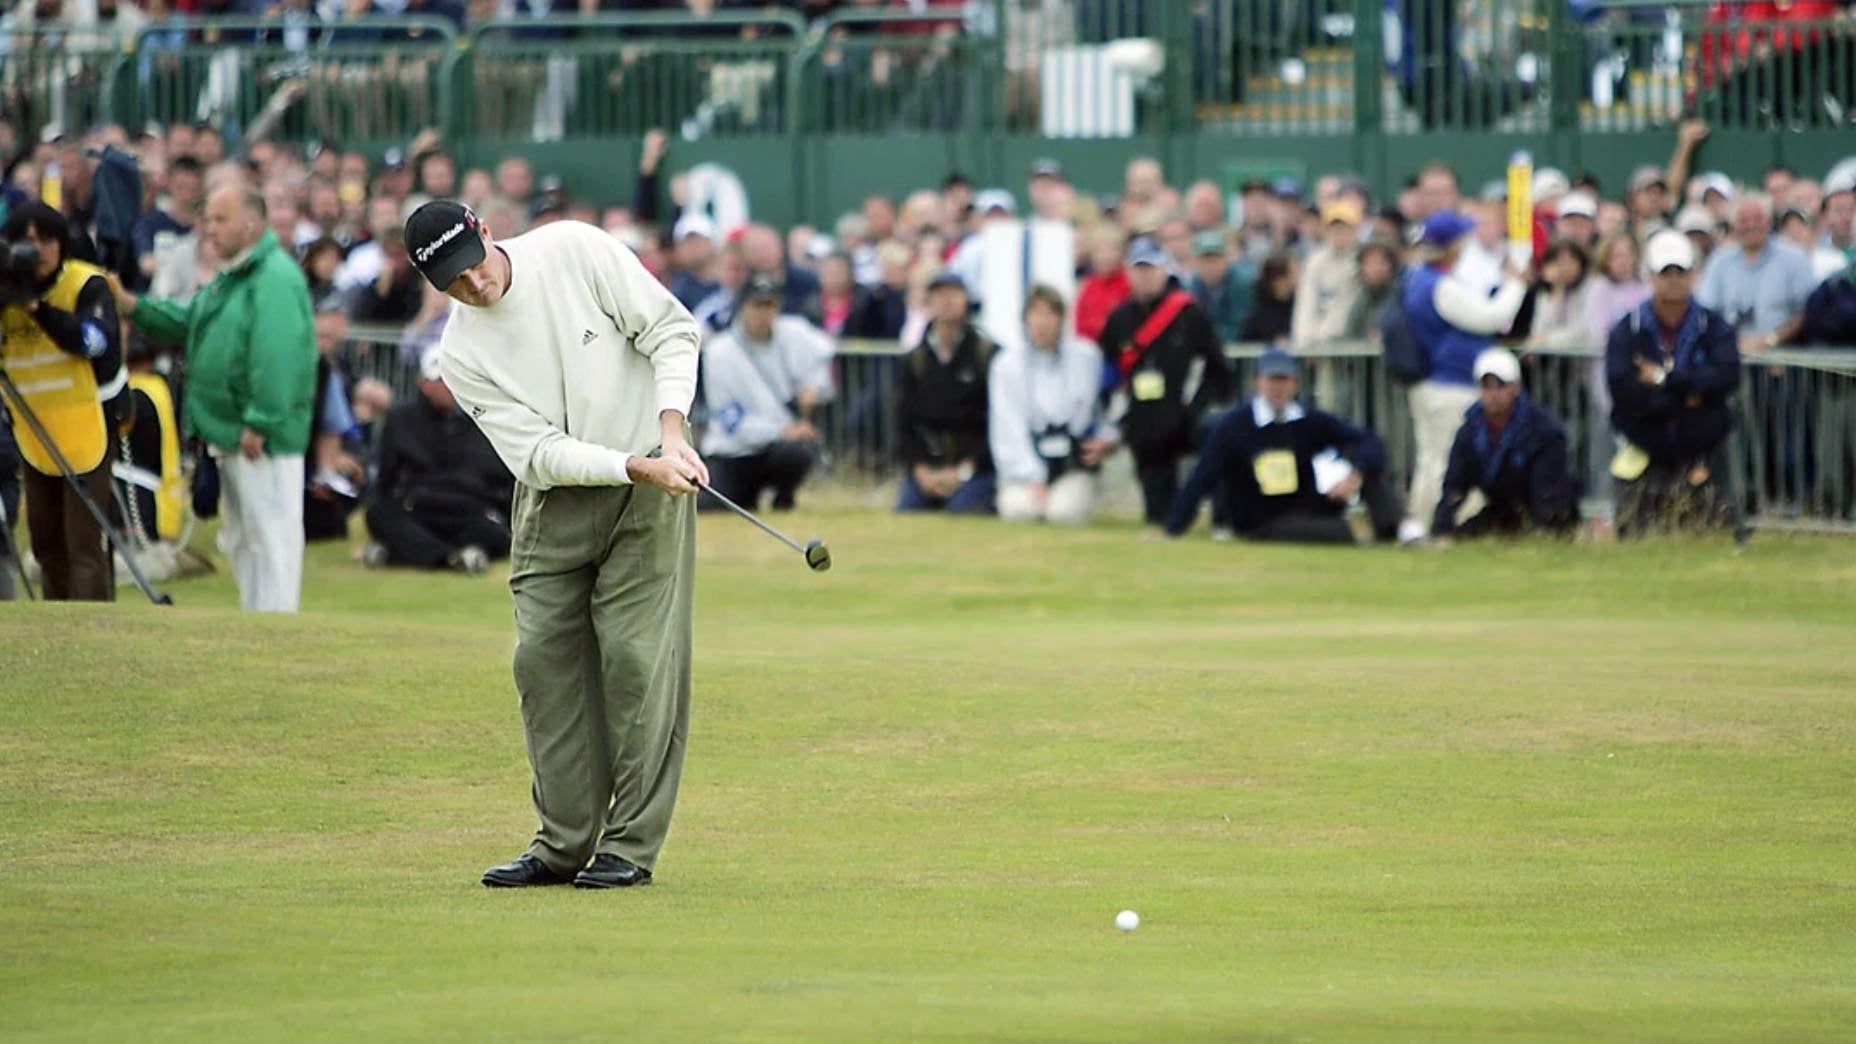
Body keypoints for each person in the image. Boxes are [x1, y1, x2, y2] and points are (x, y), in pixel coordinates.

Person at [406, 199, 704, 890]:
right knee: (541, 660)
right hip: (557, 497)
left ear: (485, 231)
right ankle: (563, 842)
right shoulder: (461, 352)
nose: (472, 287)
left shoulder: (573, 250)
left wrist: (671, 433)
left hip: (653, 476)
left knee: (636, 657)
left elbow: (670, 331)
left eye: (472, 268)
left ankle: (628, 844)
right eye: (450, 283)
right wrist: (632, 464)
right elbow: (538, 455)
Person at [113, 183, 316, 613]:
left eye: (221, 219)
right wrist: (133, 305)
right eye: (208, 219)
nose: (210, 229)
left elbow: (276, 355)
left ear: (251, 223)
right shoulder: (233, 276)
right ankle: (258, 622)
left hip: (261, 437)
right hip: (230, 433)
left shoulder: (274, 277)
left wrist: (260, 422)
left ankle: (278, 629)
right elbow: (189, 321)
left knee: (272, 537)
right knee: (244, 538)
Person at [0, 200, 127, 602]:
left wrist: (36, 308)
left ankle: (92, 626)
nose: (34, 249)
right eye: (23, 239)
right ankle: (55, 625)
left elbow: (92, 341)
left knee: (83, 543)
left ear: (61, 243)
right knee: (45, 540)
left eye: (44, 239)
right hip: (34, 432)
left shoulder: (85, 284)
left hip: (86, 430)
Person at [1165, 348, 1404, 544]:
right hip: (1261, 518)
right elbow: (1202, 476)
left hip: (1305, 505)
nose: (1278, 388)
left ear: (1295, 384)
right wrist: (1174, 529)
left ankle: (1394, 531)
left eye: (1284, 380)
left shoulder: (1307, 418)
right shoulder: (1235, 425)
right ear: (1258, 382)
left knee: (1372, 465)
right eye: (1272, 380)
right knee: (1338, 532)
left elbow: (1368, 440)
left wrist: (1354, 475)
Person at [1399, 210, 1526, 541]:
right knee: (1443, 460)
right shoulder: (1440, 286)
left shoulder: (1420, 278)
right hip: (1450, 385)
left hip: (1433, 384)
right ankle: (1443, 527)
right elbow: (1490, 317)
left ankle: (1423, 525)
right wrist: (1517, 284)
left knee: (1430, 457)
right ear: (1452, 245)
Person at [1605, 231, 1742, 537]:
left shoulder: (1715, 326)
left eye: (1680, 271)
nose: (1673, 280)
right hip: (1645, 444)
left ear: (1693, 275)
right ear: (1650, 276)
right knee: (1636, 538)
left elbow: (1725, 377)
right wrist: (1687, 396)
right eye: (1665, 272)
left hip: (1702, 447)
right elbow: (1623, 390)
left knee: (1713, 533)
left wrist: (1663, 380)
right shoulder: (1627, 331)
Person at [1099, 238, 1234, 529]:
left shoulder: (1188, 314)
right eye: (1139, 269)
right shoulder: (1119, 319)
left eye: (1151, 268)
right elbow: (1109, 372)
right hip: (1143, 421)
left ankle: (1223, 520)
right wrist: (1118, 417)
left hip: (1185, 416)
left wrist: (1194, 407)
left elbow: (1218, 370)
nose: (1145, 275)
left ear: (1165, 270)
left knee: (1217, 440)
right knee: (1158, 516)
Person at [363, 348, 514, 574]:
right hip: (419, 505)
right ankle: (453, 557)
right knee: (380, 514)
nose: (450, 387)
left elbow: (503, 476)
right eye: (443, 380)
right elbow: (387, 476)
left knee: (498, 534)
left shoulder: (484, 418)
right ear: (424, 384)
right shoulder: (401, 419)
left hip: (470, 508)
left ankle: (403, 551)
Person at [699, 274, 836, 512]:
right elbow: (730, 420)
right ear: (742, 307)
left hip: (779, 448)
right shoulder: (719, 352)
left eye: (769, 305)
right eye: (757, 306)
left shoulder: (794, 332)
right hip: (732, 451)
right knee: (709, 506)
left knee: (797, 454)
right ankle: (746, 496)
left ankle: (784, 500)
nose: (763, 314)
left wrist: (814, 388)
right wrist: (780, 431)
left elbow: (828, 349)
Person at [989, 285, 1118, 526]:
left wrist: (1106, 441)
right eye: (1035, 314)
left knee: (1063, 514)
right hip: (1024, 467)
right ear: (1025, 319)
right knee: (1020, 511)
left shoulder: (1087, 357)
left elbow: (1103, 411)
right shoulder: (1007, 365)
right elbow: (1007, 426)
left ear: (1061, 318)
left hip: (1072, 466)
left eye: (1050, 314)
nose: (1042, 323)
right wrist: (1032, 476)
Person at [1430, 348, 1580, 540]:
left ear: (1516, 387)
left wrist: (1542, 528)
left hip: (1547, 512)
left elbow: (1548, 489)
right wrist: (1442, 530)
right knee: (1464, 538)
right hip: (1502, 512)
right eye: (1486, 386)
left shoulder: (1543, 430)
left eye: (1500, 386)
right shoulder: (1470, 431)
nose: (1493, 394)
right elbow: (1455, 485)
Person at [896, 272, 998, 514]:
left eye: (954, 294)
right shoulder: (915, 360)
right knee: (908, 511)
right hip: (927, 465)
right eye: (939, 295)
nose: (947, 301)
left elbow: (996, 422)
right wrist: (920, 471)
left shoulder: (987, 355)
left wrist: (963, 471)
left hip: (975, 467)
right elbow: (903, 423)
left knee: (961, 511)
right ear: (929, 303)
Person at [1290, 202, 1362, 351]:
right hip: (1317, 343)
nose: (1339, 234)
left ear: (1355, 231)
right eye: (1334, 229)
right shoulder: (1315, 261)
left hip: (1352, 343)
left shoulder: (1362, 261)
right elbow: (1306, 304)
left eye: (1344, 229)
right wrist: (1304, 343)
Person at [1185, 229, 1253, 346]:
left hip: (1236, 349)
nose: (1211, 265)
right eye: (1205, 260)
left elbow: (1239, 325)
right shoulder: (1188, 288)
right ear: (1195, 262)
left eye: (1216, 259)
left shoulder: (1242, 285)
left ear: (1226, 259)